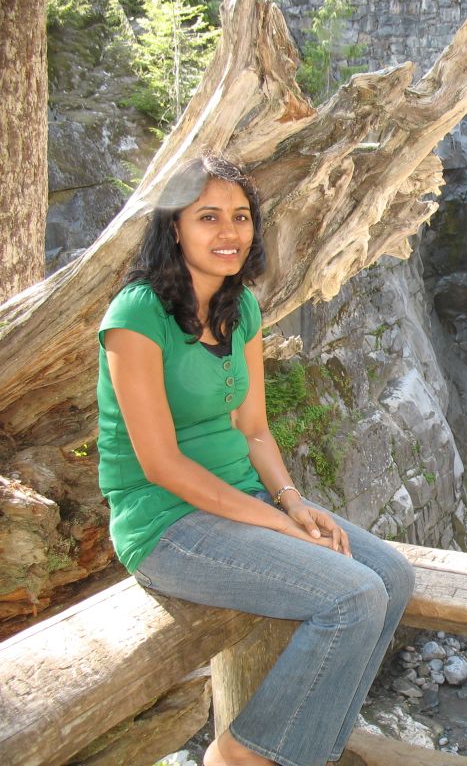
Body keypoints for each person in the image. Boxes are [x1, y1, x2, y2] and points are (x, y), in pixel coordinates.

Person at [96, 154, 414, 766]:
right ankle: (242, 754)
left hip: (245, 500)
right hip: (166, 522)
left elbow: (254, 428)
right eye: (208, 217)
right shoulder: (136, 315)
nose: (229, 232)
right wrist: (278, 524)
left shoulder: (239, 307)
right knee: (351, 596)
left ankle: (306, 753)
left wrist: (292, 503)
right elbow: (161, 465)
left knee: (392, 577)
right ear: (174, 227)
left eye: (241, 217)